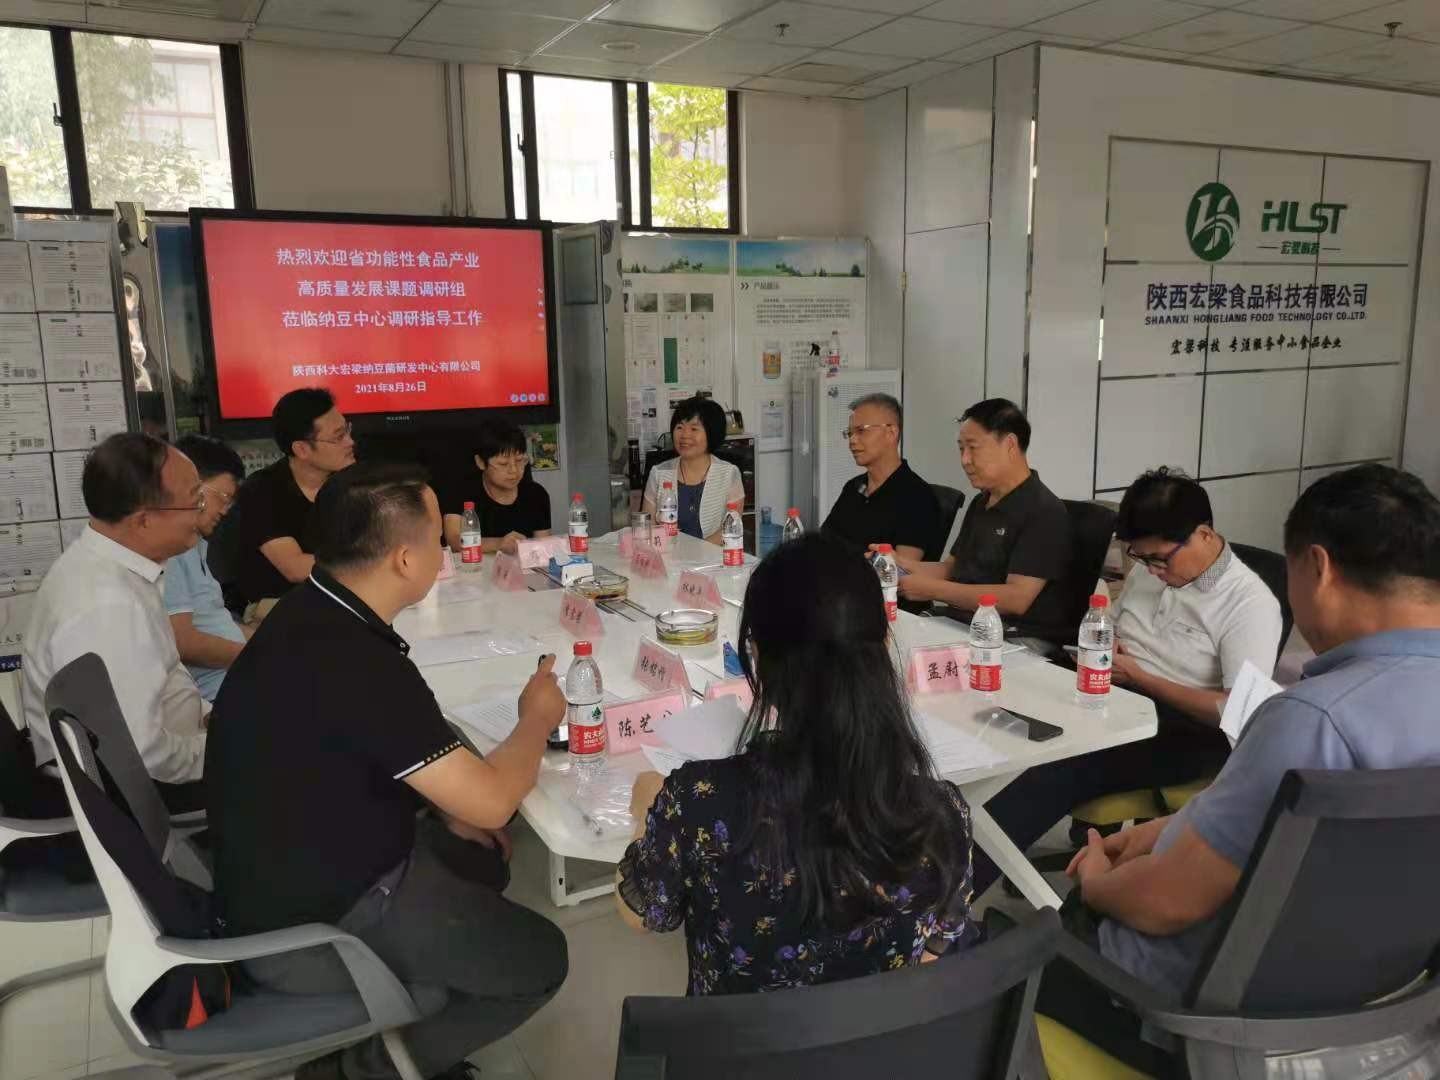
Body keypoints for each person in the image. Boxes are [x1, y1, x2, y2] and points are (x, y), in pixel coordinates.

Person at [1039, 464, 1440, 1074]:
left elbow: (1164, 903)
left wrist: (1093, 883)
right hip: (1383, 1007)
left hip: (1192, 1021)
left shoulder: (1311, 720)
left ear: (1318, 568)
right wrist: (1166, 831)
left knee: (1021, 941)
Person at [206, 461, 568, 1080]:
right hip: (314, 919)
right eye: (434, 539)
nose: (444, 548)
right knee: (541, 959)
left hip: (290, 861)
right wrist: (537, 718)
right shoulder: (356, 660)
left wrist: (448, 813)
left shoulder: (311, 612)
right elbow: (493, 801)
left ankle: (422, 996)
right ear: (404, 559)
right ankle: (364, 1070)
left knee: (481, 855)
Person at [617, 533, 979, 994]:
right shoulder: (941, 814)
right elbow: (933, 949)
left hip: (734, 1040)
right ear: (884, 645)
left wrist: (644, 815)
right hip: (877, 1037)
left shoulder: (699, 802)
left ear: (759, 658)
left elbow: (641, 914)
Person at [970, 468, 1283, 897]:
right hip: (1111, 691)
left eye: (1160, 559)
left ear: (1204, 534)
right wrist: (1107, 641)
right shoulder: (1151, 569)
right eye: (1142, 558)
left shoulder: (1249, 605)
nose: (1152, 570)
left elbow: (1236, 712)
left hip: (1181, 730)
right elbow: (1110, 623)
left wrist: (1141, 677)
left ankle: (947, 902)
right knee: (995, 717)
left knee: (1054, 765)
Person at [22, 433, 209, 812]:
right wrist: (218, 751)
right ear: (143, 520)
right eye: (195, 502)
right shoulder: (109, 607)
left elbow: (159, 681)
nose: (201, 513)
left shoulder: (111, 565)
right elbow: (141, 753)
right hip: (130, 791)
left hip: (152, 756)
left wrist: (208, 716)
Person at [895, 399, 1072, 641]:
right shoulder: (981, 502)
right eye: (961, 449)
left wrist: (933, 590)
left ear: (1010, 444)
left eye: (973, 448)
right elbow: (952, 569)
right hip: (959, 622)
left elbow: (1016, 599)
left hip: (1012, 636)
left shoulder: (1043, 511)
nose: (965, 460)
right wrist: (900, 565)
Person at [231, 387, 354, 619]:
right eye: (339, 437)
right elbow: (295, 568)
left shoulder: (351, 481)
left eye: (347, 430)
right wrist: (367, 563)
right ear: (302, 449)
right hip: (275, 606)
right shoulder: (262, 490)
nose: (350, 442)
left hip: (340, 596)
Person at [164, 435, 251, 702]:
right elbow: (183, 642)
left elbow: (215, 621)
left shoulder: (195, 546)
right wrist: (258, 656)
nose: (225, 511)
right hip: (217, 696)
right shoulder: (169, 548)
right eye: (223, 498)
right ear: (192, 486)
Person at [821, 392, 943, 562]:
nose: (852, 441)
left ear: (891, 432)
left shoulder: (917, 497)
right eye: (849, 433)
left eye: (861, 431)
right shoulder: (854, 487)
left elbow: (903, 569)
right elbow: (823, 542)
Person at [439, 418, 552, 556]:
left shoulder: (537, 494)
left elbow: (543, 546)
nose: (514, 470)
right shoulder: (460, 491)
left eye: (519, 460)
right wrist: (499, 544)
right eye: (503, 464)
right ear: (480, 462)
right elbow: (454, 540)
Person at [641, 396, 745, 544]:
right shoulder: (658, 473)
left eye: (694, 429)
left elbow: (729, 529)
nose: (685, 435)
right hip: (667, 554)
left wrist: (695, 553)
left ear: (711, 433)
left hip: (713, 556)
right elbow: (648, 526)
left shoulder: (729, 474)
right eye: (679, 427)